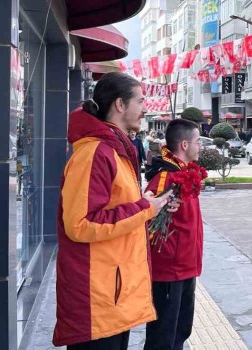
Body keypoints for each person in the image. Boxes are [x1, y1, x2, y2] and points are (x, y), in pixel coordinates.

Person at [53, 72, 176, 348]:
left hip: (112, 297)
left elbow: (116, 206)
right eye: (140, 101)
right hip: (97, 302)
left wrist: (152, 204)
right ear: (120, 104)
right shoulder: (95, 153)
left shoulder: (115, 148)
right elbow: (81, 224)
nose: (145, 108)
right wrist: (144, 208)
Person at [143, 119, 204, 350]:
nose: (201, 147)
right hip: (169, 270)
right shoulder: (166, 178)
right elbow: (145, 219)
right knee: (163, 337)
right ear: (185, 145)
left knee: (180, 330)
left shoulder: (183, 173)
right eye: (198, 142)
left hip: (186, 267)